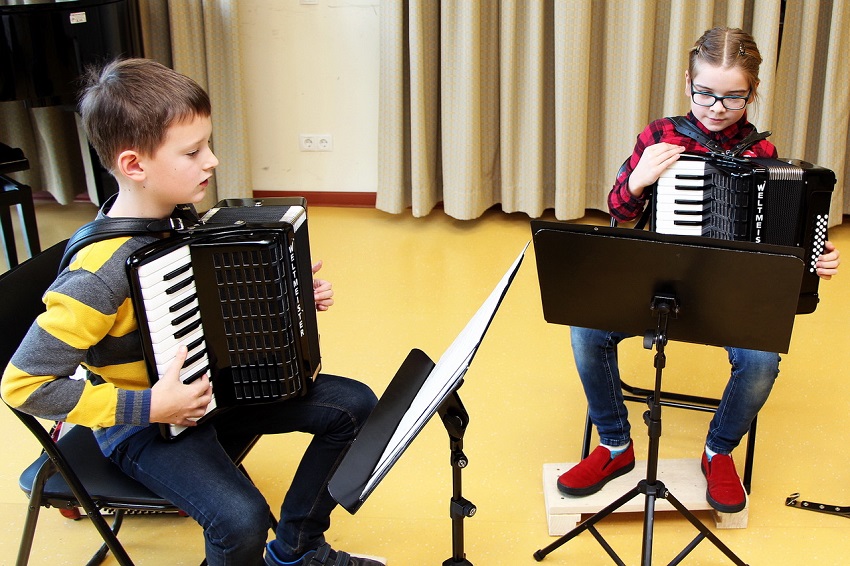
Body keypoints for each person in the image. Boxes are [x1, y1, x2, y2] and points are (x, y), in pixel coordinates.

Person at [1, 58, 384, 566]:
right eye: (193, 151)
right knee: (240, 518)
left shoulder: (177, 219)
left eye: (208, 144)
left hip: (210, 387)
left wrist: (285, 296)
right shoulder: (97, 275)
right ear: (135, 164)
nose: (213, 161)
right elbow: (23, 386)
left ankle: (297, 549)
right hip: (142, 423)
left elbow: (195, 307)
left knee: (354, 405)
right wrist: (151, 406)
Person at [557, 27, 841, 514]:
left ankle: (718, 451)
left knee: (761, 360)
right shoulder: (661, 136)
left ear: (753, 92)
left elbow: (777, 249)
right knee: (585, 329)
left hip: (728, 296)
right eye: (705, 92)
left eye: (733, 97)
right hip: (658, 286)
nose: (715, 107)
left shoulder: (764, 157)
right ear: (688, 81)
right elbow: (619, 215)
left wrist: (812, 257)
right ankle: (614, 445)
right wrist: (641, 178)